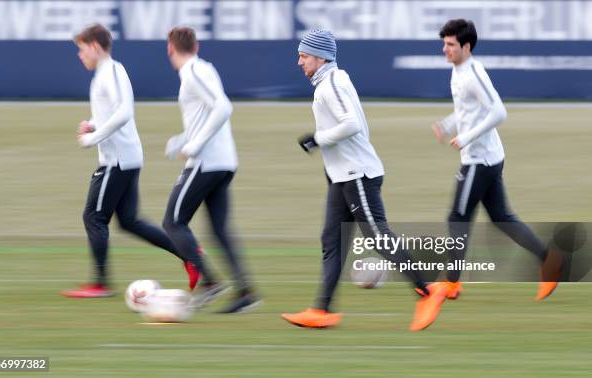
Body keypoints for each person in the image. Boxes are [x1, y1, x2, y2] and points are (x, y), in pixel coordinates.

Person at [281, 29, 447, 331]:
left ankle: (427, 290)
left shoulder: (331, 83)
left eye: (303, 56)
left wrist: (316, 139)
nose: (299, 62)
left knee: (377, 236)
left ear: (320, 57)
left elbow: (352, 125)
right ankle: (321, 310)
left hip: (357, 174)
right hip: (341, 176)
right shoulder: (330, 80)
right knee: (331, 240)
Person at [62, 24, 199, 298]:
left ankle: (100, 284)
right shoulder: (107, 73)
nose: (80, 55)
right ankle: (190, 254)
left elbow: (124, 112)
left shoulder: (110, 71)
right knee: (129, 221)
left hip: (117, 161)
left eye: (81, 49)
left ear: (96, 47)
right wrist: (91, 124)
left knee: (94, 216)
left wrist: (93, 137)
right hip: (126, 158)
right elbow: (111, 113)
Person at [431, 19, 559, 300]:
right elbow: (470, 110)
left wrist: (466, 138)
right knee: (501, 217)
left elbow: (499, 111)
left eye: (450, 45)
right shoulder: (459, 70)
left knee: (458, 216)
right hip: (488, 157)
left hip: (480, 160)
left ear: (466, 46)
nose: (445, 49)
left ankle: (451, 283)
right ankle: (549, 261)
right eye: (444, 44)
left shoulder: (472, 74)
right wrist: (449, 124)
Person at [162, 26, 260, 313]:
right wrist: (182, 140)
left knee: (173, 222)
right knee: (219, 230)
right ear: (197, 45)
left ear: (170, 49)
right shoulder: (204, 69)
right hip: (223, 161)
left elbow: (222, 107)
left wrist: (194, 146)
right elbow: (206, 115)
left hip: (206, 162)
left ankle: (210, 283)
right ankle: (245, 292)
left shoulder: (193, 72)